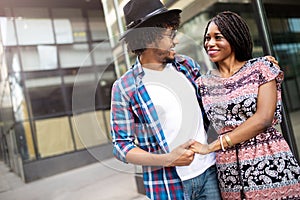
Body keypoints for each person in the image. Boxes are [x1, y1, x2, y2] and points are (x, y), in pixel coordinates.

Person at [110, 0, 221, 199]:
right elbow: (121, 146)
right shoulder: (124, 88)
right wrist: (167, 159)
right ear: (148, 38)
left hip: (210, 172)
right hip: (168, 186)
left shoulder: (187, 66)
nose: (175, 41)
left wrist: (254, 67)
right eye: (169, 36)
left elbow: (217, 95)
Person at [190, 11, 300, 199]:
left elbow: (263, 119)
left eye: (218, 37)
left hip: (269, 162)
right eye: (207, 38)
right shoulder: (203, 84)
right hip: (229, 173)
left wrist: (212, 147)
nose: (210, 43)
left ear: (234, 37)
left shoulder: (261, 68)